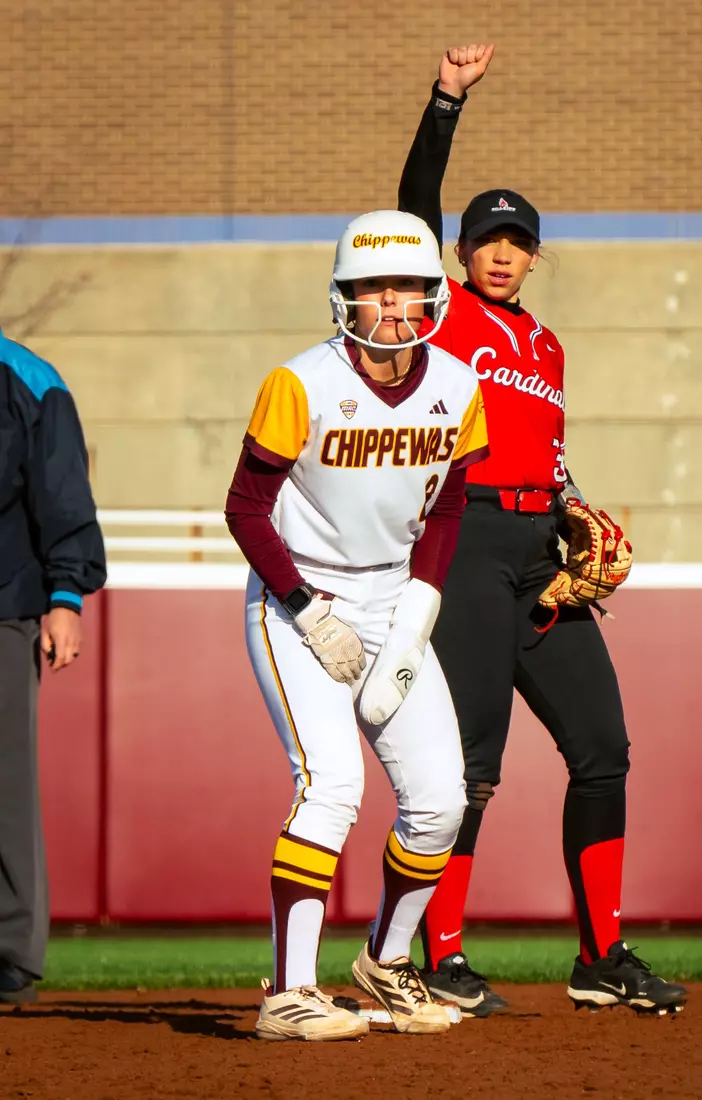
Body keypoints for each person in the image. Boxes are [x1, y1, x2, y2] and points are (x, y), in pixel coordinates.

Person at [397, 45, 687, 1016]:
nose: (503, 250)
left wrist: (572, 510)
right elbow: (409, 211)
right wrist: (446, 103)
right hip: (468, 542)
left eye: (517, 238)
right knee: (472, 763)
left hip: (536, 554)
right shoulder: (443, 318)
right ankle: (437, 956)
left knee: (602, 744)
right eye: (487, 237)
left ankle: (601, 955)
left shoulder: (545, 343)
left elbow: (545, 451)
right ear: (463, 252)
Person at [225, 209, 489, 1041]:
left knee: (442, 801)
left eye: (407, 286)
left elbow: (447, 505)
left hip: (392, 598)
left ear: (433, 292)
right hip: (298, 599)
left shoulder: (457, 384)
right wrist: (307, 608)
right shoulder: (298, 381)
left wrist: (417, 610)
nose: (391, 303)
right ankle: (289, 991)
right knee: (333, 786)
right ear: (342, 297)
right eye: (372, 287)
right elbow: (244, 508)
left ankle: (386, 959)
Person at [0, 328, 106, 1005]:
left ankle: (9, 954)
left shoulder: (28, 378)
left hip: (4, 604)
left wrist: (65, 595)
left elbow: (62, 494)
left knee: (5, 787)